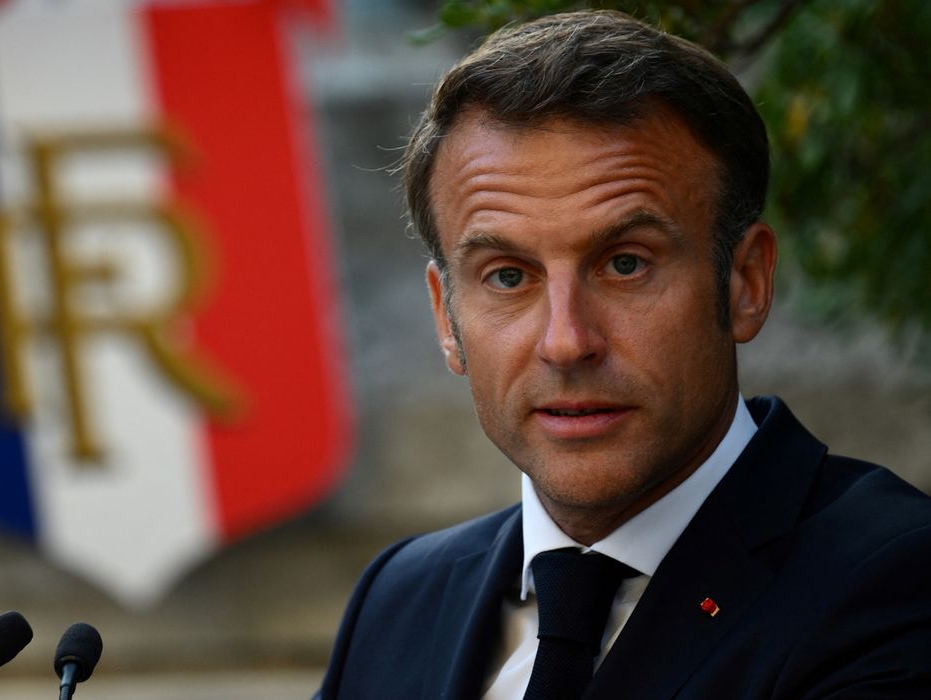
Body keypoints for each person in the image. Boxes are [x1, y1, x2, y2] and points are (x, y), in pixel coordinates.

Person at [316, 10, 931, 699]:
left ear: (745, 284)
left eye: (625, 264)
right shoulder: (398, 601)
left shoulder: (897, 581)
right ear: (446, 317)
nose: (565, 342)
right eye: (508, 276)